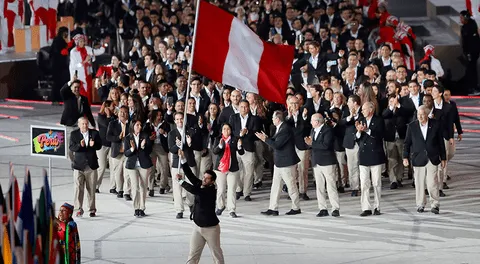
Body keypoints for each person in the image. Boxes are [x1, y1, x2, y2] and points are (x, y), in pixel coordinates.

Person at [176, 151, 225, 264]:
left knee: (217, 255)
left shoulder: (210, 191)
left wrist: (180, 181)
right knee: (193, 255)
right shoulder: (202, 184)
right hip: (197, 227)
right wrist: (183, 160)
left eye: (207, 179)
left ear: (212, 181)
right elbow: (191, 176)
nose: (204, 179)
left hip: (211, 229)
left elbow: (193, 190)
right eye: (204, 177)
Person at [256, 110, 301, 216]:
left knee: (291, 185)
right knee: (275, 186)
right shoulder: (279, 128)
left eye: (273, 118)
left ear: (277, 119)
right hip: (279, 162)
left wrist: (265, 139)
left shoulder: (285, 129)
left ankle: (296, 207)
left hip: (287, 162)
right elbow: (276, 142)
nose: (272, 119)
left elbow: (277, 145)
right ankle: (273, 208)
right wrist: (267, 138)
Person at [403, 105, 446, 214]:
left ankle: (435, 204)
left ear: (427, 115)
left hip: (432, 158)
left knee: (432, 183)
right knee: (419, 183)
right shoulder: (412, 126)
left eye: (422, 114)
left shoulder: (435, 124)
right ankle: (420, 204)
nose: (420, 117)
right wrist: (405, 157)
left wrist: (443, 157)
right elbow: (407, 143)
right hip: (418, 159)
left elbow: (440, 143)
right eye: (418, 115)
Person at [305, 113, 340, 217]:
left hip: (327, 161)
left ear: (317, 121)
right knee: (319, 186)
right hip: (316, 161)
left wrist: (312, 144)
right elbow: (313, 144)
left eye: (312, 120)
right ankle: (322, 208)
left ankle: (335, 208)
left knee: (331, 185)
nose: (310, 122)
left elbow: (326, 145)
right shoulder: (312, 130)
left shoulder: (327, 130)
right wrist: (308, 144)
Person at [356, 102, 386, 217]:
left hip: (375, 155)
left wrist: (367, 130)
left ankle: (377, 206)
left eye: (364, 109)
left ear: (371, 109)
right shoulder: (361, 120)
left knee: (376, 182)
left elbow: (380, 135)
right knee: (364, 183)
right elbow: (357, 138)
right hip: (363, 156)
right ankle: (366, 207)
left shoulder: (378, 120)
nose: (362, 111)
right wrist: (359, 131)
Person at [69, 117, 102, 217]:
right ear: (79, 125)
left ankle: (92, 209)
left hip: (91, 166)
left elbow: (99, 146)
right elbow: (71, 147)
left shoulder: (95, 133)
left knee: (91, 188)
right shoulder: (74, 134)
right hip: (79, 166)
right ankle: (78, 209)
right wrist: (79, 145)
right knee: (78, 188)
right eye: (83, 124)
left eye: (86, 124)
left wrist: (94, 144)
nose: (85, 126)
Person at [212, 123, 244, 218]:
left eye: (228, 129)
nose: (226, 131)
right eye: (224, 129)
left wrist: (239, 147)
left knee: (231, 190)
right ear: (221, 131)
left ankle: (232, 209)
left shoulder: (235, 139)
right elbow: (215, 151)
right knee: (221, 189)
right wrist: (220, 146)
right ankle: (220, 206)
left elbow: (241, 153)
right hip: (220, 168)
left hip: (232, 168)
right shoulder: (218, 139)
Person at [60, 76, 96, 163]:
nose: (77, 89)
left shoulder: (84, 99)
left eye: (78, 87)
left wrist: (93, 124)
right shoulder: (68, 96)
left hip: (79, 126)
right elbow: (62, 91)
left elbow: (88, 112)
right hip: (69, 125)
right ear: (71, 88)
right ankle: (73, 162)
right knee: (70, 147)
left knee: (80, 144)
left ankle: (78, 162)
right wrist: (70, 81)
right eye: (75, 87)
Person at [124, 119, 153, 217]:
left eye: (140, 125)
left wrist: (143, 147)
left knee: (143, 187)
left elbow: (149, 150)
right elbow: (126, 153)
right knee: (135, 187)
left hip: (144, 164)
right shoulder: (128, 138)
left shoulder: (145, 136)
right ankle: (136, 208)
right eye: (137, 125)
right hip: (132, 165)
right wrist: (132, 149)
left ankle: (142, 207)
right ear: (133, 126)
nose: (139, 127)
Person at [69, 34, 105, 103]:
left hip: (88, 74)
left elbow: (98, 52)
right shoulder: (73, 52)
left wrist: (102, 45)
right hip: (79, 75)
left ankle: (87, 107)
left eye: (83, 41)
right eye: (81, 41)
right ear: (77, 42)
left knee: (88, 91)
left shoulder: (87, 48)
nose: (83, 43)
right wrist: (85, 61)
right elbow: (74, 66)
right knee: (81, 91)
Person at [460, 10, 480, 93]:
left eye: (461, 17)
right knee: (470, 69)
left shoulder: (471, 26)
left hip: (472, 52)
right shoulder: (466, 26)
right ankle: (471, 86)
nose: (460, 19)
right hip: (470, 52)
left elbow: (472, 41)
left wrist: (469, 53)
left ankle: (473, 87)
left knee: (471, 69)